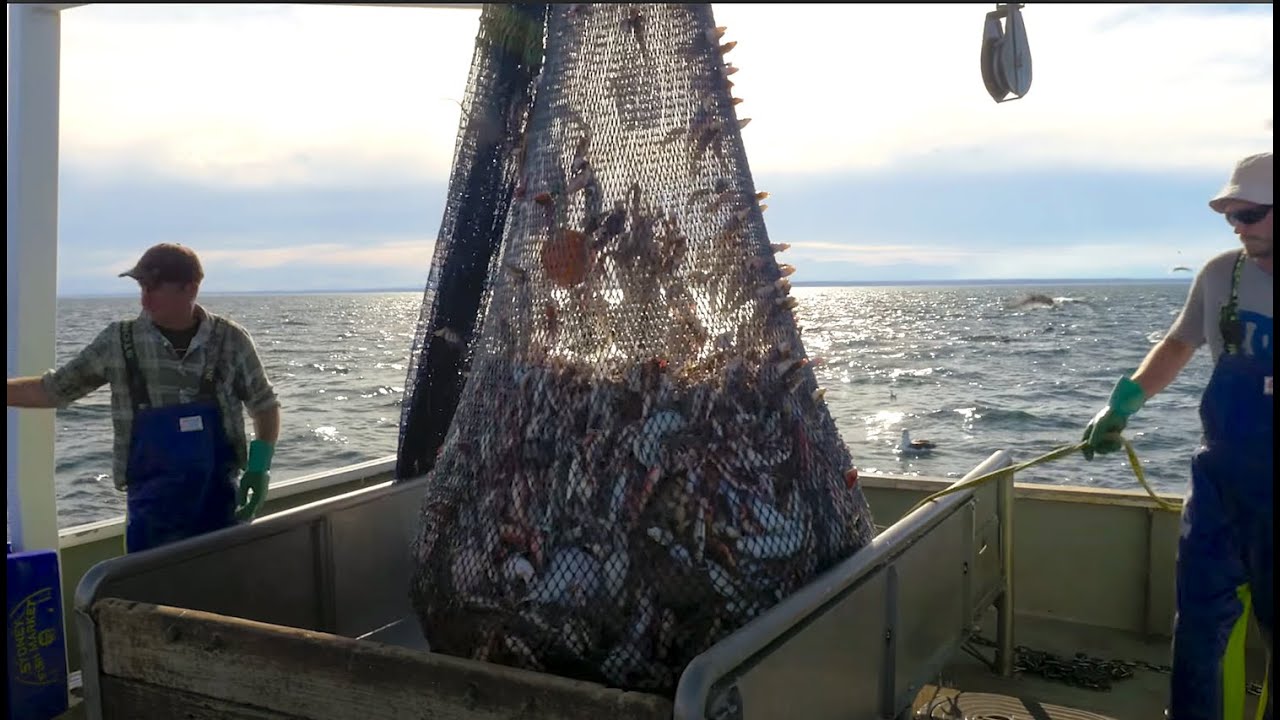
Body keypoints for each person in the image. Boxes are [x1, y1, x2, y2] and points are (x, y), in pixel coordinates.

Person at [1080, 151, 1272, 719]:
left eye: (1252, 214)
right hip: (1220, 485)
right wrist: (1124, 402)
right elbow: (1179, 345)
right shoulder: (1221, 275)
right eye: (1231, 217)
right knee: (1198, 633)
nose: (1239, 227)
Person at [6, 243, 282, 554]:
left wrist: (260, 468)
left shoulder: (231, 339)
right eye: (141, 286)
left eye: (154, 287)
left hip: (220, 504)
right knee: (149, 597)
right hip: (152, 514)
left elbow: (264, 405)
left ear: (190, 288)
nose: (144, 297)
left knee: (221, 592)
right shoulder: (118, 342)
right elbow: (51, 390)